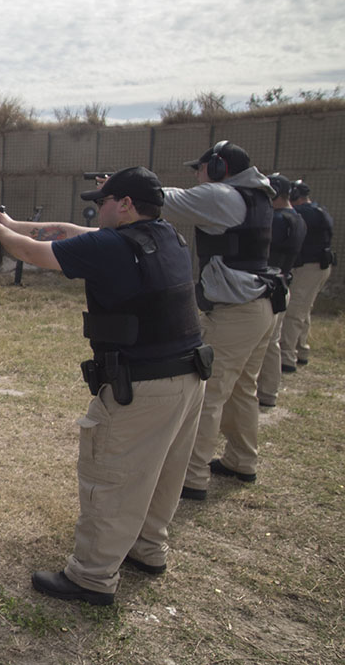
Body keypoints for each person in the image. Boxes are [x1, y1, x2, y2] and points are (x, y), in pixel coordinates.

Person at [0, 167, 209, 606]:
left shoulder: (110, 245)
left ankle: (92, 576)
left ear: (124, 204)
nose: (96, 207)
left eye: (102, 200)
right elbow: (64, 231)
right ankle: (148, 549)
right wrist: (8, 222)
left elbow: (34, 252)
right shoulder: (165, 237)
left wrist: (0, 236)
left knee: (112, 477)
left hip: (142, 385)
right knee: (162, 472)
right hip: (188, 377)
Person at [161, 141, 280, 497]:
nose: (197, 177)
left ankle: (192, 477)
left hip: (236, 312)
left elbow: (165, 200)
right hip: (260, 306)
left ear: (217, 168)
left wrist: (123, 188)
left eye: (200, 169)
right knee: (243, 389)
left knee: (207, 392)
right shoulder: (257, 195)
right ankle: (241, 460)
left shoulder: (222, 196)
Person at [256, 173, 305, 408]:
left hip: (270, 287)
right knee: (271, 342)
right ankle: (268, 391)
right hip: (283, 282)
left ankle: (265, 391)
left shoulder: (277, 220)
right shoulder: (297, 218)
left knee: (265, 344)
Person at [280, 179, 336, 371]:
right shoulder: (318, 210)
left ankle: (286, 358)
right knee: (304, 309)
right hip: (318, 267)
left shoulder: (305, 213)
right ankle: (301, 351)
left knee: (294, 312)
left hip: (308, 268)